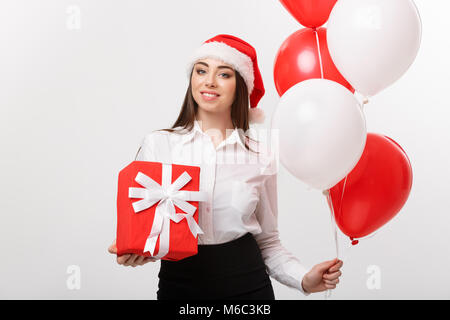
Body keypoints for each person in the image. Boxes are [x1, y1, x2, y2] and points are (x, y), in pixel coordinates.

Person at [108, 34, 343, 300]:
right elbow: (149, 231)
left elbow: (268, 242)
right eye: (201, 71)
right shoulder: (159, 145)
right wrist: (140, 251)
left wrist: (303, 279)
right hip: (180, 286)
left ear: (240, 86)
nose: (209, 81)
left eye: (224, 74)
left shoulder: (260, 157)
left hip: (247, 287)